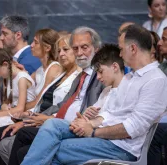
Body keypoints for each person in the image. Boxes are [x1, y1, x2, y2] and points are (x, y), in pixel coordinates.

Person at [20, 24, 167, 165]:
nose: (120, 54)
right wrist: (89, 123)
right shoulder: (130, 77)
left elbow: (133, 128)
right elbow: (110, 113)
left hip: (122, 147)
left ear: (133, 48)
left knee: (56, 148)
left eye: (122, 49)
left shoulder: (155, 80)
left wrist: (94, 131)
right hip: (105, 136)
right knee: (53, 124)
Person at [6, 43, 124, 165]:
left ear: (115, 67)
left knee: (52, 148)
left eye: (100, 72)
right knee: (52, 125)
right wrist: (87, 116)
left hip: (109, 140)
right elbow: (96, 113)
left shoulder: (126, 88)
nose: (98, 77)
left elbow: (118, 121)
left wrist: (90, 123)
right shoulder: (106, 90)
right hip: (88, 127)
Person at [0, 34, 82, 165]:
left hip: (54, 122)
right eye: (59, 50)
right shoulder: (62, 74)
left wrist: (30, 117)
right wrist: (29, 115)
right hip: (41, 116)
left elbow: (64, 106)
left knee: (16, 136)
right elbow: (43, 100)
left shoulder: (71, 74)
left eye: (66, 49)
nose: (61, 54)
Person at [0, 28, 62, 165]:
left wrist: (14, 110)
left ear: (47, 48)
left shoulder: (53, 68)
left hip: (40, 114)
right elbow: (25, 84)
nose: (31, 45)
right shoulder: (39, 70)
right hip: (28, 113)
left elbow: (39, 100)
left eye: (35, 42)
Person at [148, 27, 167, 165]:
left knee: (154, 131)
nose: (159, 43)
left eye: (164, 39)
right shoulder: (163, 66)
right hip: (161, 114)